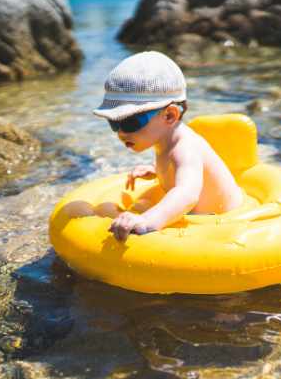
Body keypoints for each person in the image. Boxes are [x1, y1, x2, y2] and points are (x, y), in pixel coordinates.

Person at [93, 51, 244, 241]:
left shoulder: (185, 148)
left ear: (169, 116)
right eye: (113, 122)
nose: (121, 133)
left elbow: (187, 194)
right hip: (201, 217)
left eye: (130, 122)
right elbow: (183, 172)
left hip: (223, 222)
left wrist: (146, 222)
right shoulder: (166, 140)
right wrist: (157, 171)